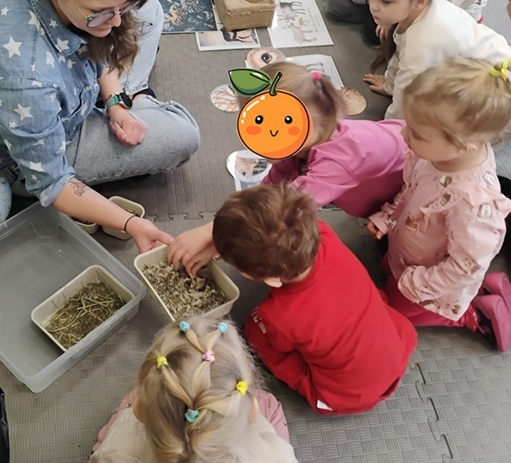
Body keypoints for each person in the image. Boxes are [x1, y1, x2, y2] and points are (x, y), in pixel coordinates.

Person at [0, 0, 200, 250]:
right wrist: (130, 223)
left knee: (149, 9)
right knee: (183, 136)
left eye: (120, 8)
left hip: (68, 85)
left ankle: (132, 94)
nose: (118, 21)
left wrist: (115, 103)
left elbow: (94, 40)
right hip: (35, 143)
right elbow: (54, 182)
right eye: (102, 12)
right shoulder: (27, 80)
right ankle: (138, 94)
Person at [168, 61, 407, 274]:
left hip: (412, 188)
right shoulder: (303, 140)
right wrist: (222, 235)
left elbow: (285, 207)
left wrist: (213, 232)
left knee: (401, 256)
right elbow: (270, 191)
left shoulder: (339, 160)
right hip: (387, 183)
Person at [212, 184, 417, 415]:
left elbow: (279, 342)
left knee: (255, 329)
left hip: (348, 394)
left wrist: (258, 323)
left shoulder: (278, 315)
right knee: (366, 302)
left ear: (272, 280)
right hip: (398, 347)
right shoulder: (323, 232)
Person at [367, 59, 511, 352]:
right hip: (411, 251)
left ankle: (472, 315)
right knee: (387, 272)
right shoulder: (435, 155)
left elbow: (465, 267)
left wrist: (416, 283)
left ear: (463, 146)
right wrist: (389, 216)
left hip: (432, 282)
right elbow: (412, 189)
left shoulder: (475, 205)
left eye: (417, 133)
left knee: (392, 310)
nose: (404, 134)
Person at [88, 315, 299, 463]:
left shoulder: (116, 453)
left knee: (137, 394)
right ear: (252, 412)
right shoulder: (277, 457)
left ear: (139, 411)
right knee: (268, 403)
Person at [362, 0, 511, 120]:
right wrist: (390, 85)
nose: (373, 6)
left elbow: (405, 101)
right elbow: (400, 50)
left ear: (420, 1)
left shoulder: (421, 43)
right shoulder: (419, 12)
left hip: (500, 94)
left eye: (385, 1)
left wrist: (386, 130)